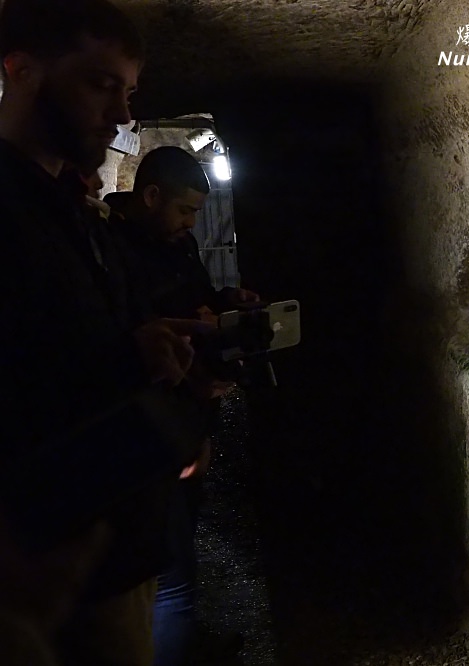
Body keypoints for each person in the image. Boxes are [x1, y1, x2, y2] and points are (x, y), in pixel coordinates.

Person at [0, 1, 210, 664]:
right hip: (45, 571)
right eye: (100, 84)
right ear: (21, 70)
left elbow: (76, 336)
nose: (122, 114)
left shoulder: (74, 208)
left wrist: (153, 342)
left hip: (111, 549)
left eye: (130, 92)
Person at [107, 145, 259, 665]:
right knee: (168, 569)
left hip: (188, 416)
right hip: (151, 426)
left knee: (182, 542)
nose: (192, 222)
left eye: (197, 212)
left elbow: (195, 297)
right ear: (151, 197)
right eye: (184, 210)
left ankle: (185, 641)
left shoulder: (178, 243)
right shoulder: (108, 250)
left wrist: (225, 303)